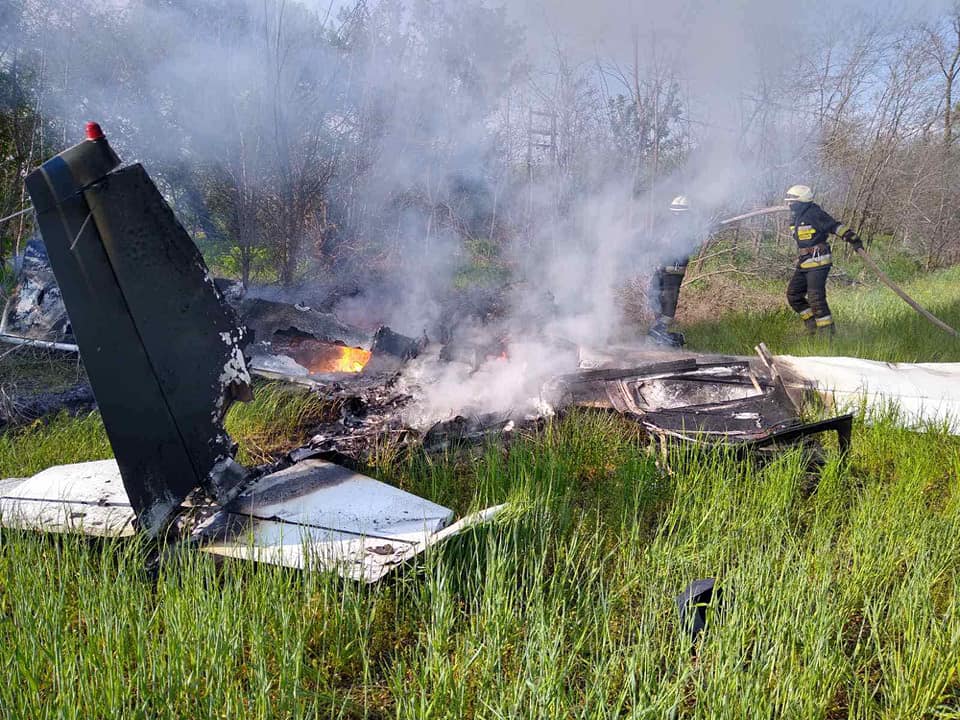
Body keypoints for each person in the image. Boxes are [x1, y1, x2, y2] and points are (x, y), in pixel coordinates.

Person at [783, 185, 863, 335]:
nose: (789, 205)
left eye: (792, 201)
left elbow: (834, 226)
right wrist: (792, 222)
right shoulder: (798, 216)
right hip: (805, 261)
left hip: (819, 261)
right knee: (793, 295)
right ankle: (812, 325)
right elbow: (798, 235)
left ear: (802, 201)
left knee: (816, 298)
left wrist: (852, 238)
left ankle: (827, 334)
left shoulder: (815, 213)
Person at [648, 195, 697, 347]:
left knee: (669, 299)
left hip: (674, 271)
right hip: (662, 269)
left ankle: (661, 328)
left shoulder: (689, 229)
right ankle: (658, 329)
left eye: (679, 213)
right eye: (674, 212)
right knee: (653, 293)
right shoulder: (671, 227)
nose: (675, 216)